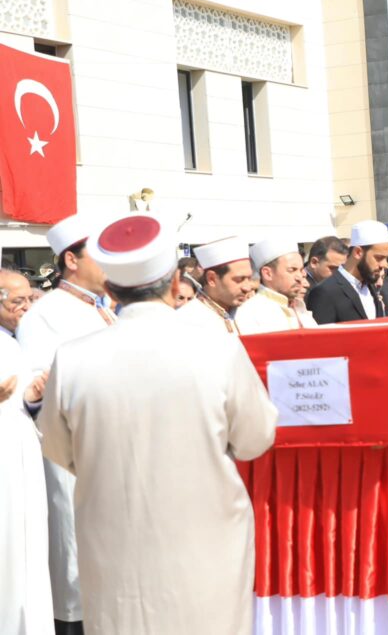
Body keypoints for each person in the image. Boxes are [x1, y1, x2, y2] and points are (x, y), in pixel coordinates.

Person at [38, 213, 278, 635]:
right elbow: (256, 438)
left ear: (110, 288)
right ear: (173, 285)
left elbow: (58, 449)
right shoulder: (217, 349)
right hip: (206, 542)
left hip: (114, 542)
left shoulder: (73, 358)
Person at [17, 214, 114, 635]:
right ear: (71, 260)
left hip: (114, 451)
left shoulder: (106, 309)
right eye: (100, 255)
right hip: (75, 455)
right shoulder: (45, 315)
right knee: (77, 560)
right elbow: (36, 388)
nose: (109, 265)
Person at [0, 269, 53, 633]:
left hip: (21, 457)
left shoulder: (13, 341)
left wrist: (33, 397)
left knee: (27, 551)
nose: (24, 308)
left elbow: (17, 402)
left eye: (28, 299)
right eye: (16, 301)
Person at [308, 220, 388, 323]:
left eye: (386, 258)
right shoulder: (325, 292)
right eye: (379, 258)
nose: (384, 265)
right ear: (358, 252)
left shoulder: (371, 287)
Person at [235, 239, 316, 333]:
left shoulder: (300, 307)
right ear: (267, 274)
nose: (299, 277)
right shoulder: (250, 313)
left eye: (301, 270)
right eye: (292, 270)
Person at [178, 237, 253, 334]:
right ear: (212, 279)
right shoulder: (186, 322)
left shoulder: (256, 314)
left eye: (249, 278)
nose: (247, 288)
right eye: (239, 280)